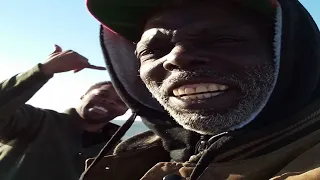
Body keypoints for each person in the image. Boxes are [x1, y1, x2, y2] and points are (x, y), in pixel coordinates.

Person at [84, 0, 320, 179]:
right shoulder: (135, 152)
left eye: (222, 40)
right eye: (153, 50)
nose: (177, 58)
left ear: (291, 51)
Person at [0, 45, 128, 180]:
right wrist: (45, 69)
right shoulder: (34, 120)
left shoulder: (119, 150)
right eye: (103, 94)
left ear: (125, 111)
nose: (109, 101)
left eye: (121, 101)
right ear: (83, 95)